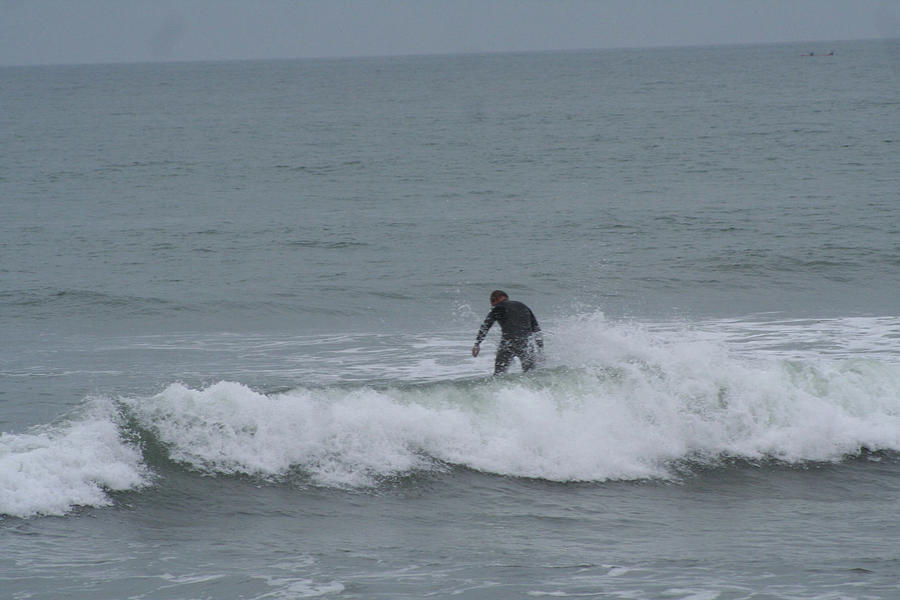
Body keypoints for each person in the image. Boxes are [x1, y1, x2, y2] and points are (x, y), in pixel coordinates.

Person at [471, 290, 543, 374]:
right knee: (531, 374)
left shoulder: (498, 307)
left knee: (499, 374)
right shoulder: (523, 306)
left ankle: (501, 387)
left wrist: (477, 344)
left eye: (492, 303)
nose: (493, 305)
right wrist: (540, 350)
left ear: (495, 300)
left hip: (508, 342)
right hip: (526, 343)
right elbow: (536, 329)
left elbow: (486, 325)